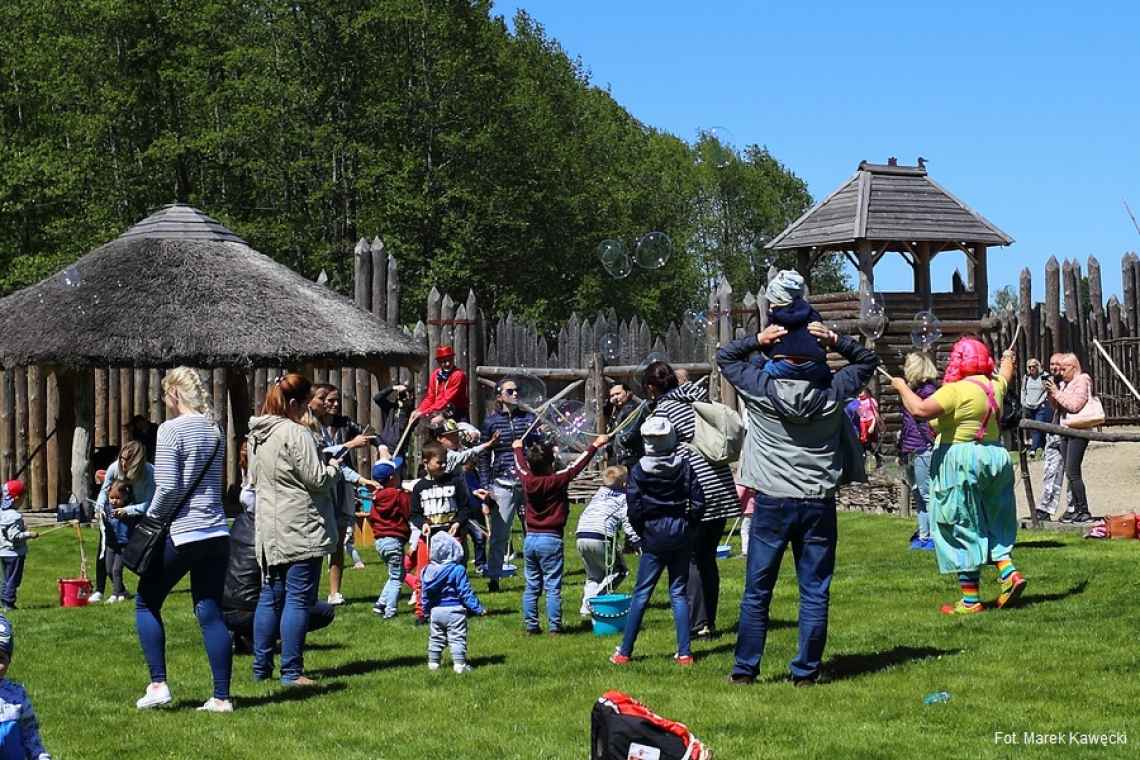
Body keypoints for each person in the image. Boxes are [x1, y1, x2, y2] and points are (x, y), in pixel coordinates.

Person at [718, 278, 879, 685]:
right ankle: (805, 672)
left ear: (777, 354)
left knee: (757, 591)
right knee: (814, 590)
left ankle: (744, 671)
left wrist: (757, 338)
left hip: (771, 499)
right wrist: (837, 339)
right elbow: (865, 363)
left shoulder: (761, 387)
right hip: (817, 500)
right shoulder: (834, 388)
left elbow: (726, 358)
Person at [891, 337, 1026, 615]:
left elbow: (919, 409)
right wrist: (1008, 360)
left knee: (960, 523)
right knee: (992, 518)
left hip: (962, 460)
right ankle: (1008, 573)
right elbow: (1007, 373)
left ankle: (970, 601)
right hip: (995, 456)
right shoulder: (995, 385)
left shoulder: (955, 390)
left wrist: (902, 386)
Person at [134, 367, 230, 712]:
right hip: (218, 529)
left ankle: (158, 683)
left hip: (184, 530)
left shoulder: (170, 430)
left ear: (174, 393)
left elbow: (169, 486)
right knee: (209, 610)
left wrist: (150, 518)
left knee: (146, 601)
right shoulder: (214, 429)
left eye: (165, 396)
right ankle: (221, 697)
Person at [249, 373, 339, 687]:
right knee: (298, 600)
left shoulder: (258, 433)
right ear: (292, 403)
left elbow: (253, 480)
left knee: (270, 596)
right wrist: (334, 466)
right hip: (301, 525)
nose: (308, 412)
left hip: (269, 528)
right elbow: (318, 480)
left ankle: (261, 668)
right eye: (304, 405)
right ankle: (291, 671)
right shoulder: (295, 433)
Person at [642, 360, 739, 640]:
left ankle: (699, 624)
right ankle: (709, 618)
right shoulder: (696, 396)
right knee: (708, 558)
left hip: (696, 488)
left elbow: (662, 450)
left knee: (693, 559)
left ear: (651, 388)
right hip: (719, 484)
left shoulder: (665, 410)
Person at [222, 440, 334, 653]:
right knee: (308, 606)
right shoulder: (273, 532)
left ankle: (250, 640)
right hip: (251, 608)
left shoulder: (237, 525)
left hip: (224, 608)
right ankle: (264, 640)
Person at [610, 418, 704, 666]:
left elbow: (634, 507)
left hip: (653, 533)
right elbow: (698, 501)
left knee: (641, 593)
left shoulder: (639, 470)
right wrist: (689, 526)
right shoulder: (684, 466)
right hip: (680, 530)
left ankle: (625, 652)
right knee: (678, 592)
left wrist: (643, 532)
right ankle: (685, 653)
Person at [512, 433, 606, 634]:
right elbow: (577, 466)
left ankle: (531, 626)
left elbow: (520, 466)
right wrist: (595, 445)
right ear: (551, 463)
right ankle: (554, 627)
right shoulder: (556, 480)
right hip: (551, 538)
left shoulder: (527, 480)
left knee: (531, 586)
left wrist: (517, 449)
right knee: (552, 586)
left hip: (531, 539)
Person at [310, 384, 377, 605]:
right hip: (319, 488)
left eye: (337, 400)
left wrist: (381, 446)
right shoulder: (309, 426)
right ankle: (308, 592)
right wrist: (350, 444)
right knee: (316, 542)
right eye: (329, 400)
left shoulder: (345, 423)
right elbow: (321, 454)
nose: (335, 404)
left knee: (338, 540)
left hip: (341, 485)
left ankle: (334, 592)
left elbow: (370, 435)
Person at [479, 378, 538, 591]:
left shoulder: (528, 419)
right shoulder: (491, 422)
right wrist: (486, 485)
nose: (515, 394)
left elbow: (539, 448)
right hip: (503, 482)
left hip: (527, 480)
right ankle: (494, 576)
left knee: (533, 531)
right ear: (499, 396)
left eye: (517, 390)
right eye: (510, 391)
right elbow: (484, 456)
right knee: (499, 532)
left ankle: (535, 575)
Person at [91, 440, 155, 604]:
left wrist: (128, 511)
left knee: (142, 555)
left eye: (128, 460)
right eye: (121, 459)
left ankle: (148, 588)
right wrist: (99, 508)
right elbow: (104, 492)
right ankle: (101, 589)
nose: (123, 463)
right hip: (113, 515)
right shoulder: (114, 468)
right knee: (105, 549)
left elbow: (149, 504)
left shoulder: (148, 473)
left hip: (137, 515)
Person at [575, 466, 639, 617]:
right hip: (601, 536)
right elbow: (627, 521)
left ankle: (585, 608)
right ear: (624, 484)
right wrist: (636, 541)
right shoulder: (623, 499)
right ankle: (595, 601)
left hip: (581, 534)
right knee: (620, 571)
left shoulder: (598, 494)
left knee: (594, 576)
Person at [422, 532, 486, 673]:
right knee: (457, 638)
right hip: (455, 611)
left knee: (436, 638)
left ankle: (433, 663)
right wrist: (478, 608)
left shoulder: (427, 571)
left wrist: (425, 611)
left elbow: (425, 594)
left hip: (436, 611)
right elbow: (465, 592)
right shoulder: (458, 570)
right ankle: (459, 665)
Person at [1045, 353, 1096, 524]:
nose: (1061, 371)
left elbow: (1074, 406)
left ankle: (1084, 510)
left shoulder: (1082, 380)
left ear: (1074, 367)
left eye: (1065, 368)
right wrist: (1052, 393)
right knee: (1069, 471)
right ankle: (1076, 509)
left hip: (1078, 431)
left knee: (1073, 472)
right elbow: (1059, 406)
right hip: (1066, 429)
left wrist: (1057, 392)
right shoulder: (1065, 384)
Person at [899, 353, 938, 551]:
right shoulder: (911, 390)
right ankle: (924, 536)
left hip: (924, 448)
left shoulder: (928, 390)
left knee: (927, 494)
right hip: (911, 448)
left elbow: (927, 422)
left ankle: (935, 536)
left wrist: (929, 443)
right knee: (919, 495)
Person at [0, 615, 51, 759]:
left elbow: (30, 734)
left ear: (9, 661)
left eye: (0, 658)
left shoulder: (17, 695)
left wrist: (40, 756)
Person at [368, 453, 410, 619]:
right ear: (392, 477)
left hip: (380, 542)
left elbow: (371, 518)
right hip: (394, 541)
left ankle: (380, 604)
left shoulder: (376, 498)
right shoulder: (398, 495)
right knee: (396, 579)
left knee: (394, 574)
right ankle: (390, 611)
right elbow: (408, 512)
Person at [1036, 354, 1070, 521]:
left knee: (1071, 473)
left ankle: (1073, 508)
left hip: (1067, 432)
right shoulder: (1047, 382)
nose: (1054, 367)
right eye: (1051, 364)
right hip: (1051, 432)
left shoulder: (1069, 384)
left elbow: (1066, 405)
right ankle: (1045, 508)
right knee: (1050, 471)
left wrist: (1054, 392)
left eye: (1058, 364)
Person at [0, 482, 37, 611]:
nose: (22, 501)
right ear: (16, 498)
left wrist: (22, 528)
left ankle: (5, 601)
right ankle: (8, 603)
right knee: (14, 580)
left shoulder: (2, 513)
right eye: (22, 498)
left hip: (3, 552)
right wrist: (29, 534)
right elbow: (14, 537)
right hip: (14, 554)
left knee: (6, 578)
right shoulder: (15, 516)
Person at [413, 345, 469, 424]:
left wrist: (424, 413)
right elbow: (430, 397)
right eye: (444, 361)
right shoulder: (435, 375)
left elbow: (446, 400)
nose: (447, 363)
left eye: (450, 360)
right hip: (438, 413)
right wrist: (419, 410)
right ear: (438, 362)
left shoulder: (458, 375)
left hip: (457, 415)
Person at [373, 382, 414, 458]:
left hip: (397, 451)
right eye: (401, 393)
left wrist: (404, 405)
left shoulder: (410, 413)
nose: (402, 396)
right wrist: (393, 388)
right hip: (384, 448)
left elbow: (402, 425)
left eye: (405, 394)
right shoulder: (391, 408)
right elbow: (377, 398)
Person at [1021, 358, 1051, 457]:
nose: (1031, 368)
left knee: (1038, 426)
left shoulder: (1044, 376)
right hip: (1029, 406)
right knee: (1034, 428)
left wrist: (1040, 401)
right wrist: (1024, 402)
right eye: (1029, 366)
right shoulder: (1026, 377)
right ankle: (1042, 447)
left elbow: (1047, 390)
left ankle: (1033, 449)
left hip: (1041, 406)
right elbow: (1023, 390)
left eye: (1034, 366)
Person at [606, 384, 641, 467]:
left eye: (618, 394)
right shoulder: (616, 410)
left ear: (628, 393)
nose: (615, 397)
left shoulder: (632, 410)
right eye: (612, 395)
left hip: (630, 458)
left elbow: (629, 436)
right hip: (619, 457)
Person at [856, 388, 882, 469]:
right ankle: (866, 459)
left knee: (872, 440)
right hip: (862, 421)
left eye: (862, 392)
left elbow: (875, 414)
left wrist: (872, 425)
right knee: (863, 440)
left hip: (870, 421)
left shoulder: (871, 400)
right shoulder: (857, 401)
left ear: (866, 392)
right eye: (859, 392)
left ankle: (877, 458)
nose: (861, 394)